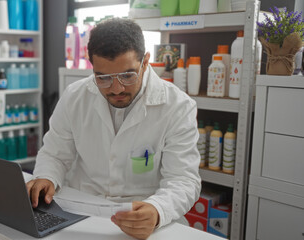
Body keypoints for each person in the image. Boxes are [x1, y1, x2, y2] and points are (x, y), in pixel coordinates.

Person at [27, 18, 201, 239]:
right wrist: (46, 176)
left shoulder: (177, 106)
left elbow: (183, 180)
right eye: (104, 77)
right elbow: (55, 154)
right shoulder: (75, 96)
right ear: (93, 69)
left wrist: (158, 210)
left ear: (145, 62)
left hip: (139, 215)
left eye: (128, 75)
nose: (116, 88)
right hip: (81, 211)